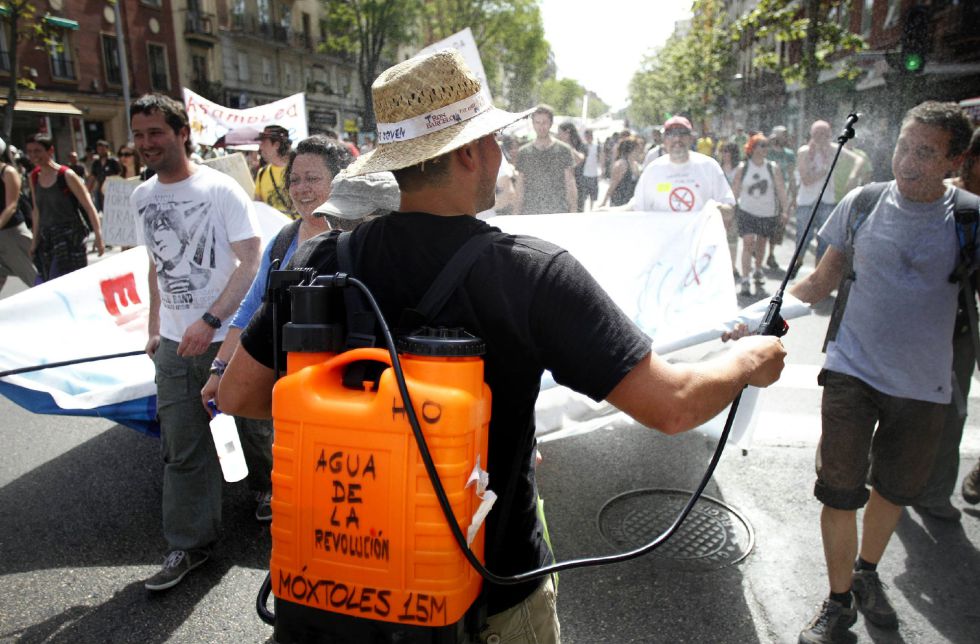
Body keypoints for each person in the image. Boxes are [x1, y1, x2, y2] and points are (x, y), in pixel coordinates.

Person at [217, 49, 785, 643]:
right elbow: (673, 405)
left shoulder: (324, 259)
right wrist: (749, 359)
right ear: (468, 152)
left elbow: (241, 392)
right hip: (491, 594)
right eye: (494, 140)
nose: (501, 154)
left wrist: (369, 431)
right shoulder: (532, 273)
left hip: (347, 585)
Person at [788, 102, 975, 643]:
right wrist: (758, 316)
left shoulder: (970, 219)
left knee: (893, 491)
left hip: (924, 387)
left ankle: (867, 572)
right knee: (840, 490)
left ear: (953, 160)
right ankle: (839, 600)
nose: (908, 162)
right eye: (903, 147)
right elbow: (818, 282)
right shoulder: (862, 202)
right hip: (851, 371)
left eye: (925, 153)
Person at [129, 93, 261, 592]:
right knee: (183, 444)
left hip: (225, 337)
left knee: (246, 425)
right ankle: (191, 543)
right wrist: (153, 326)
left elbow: (250, 261)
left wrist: (210, 320)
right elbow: (155, 268)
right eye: (139, 135)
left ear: (182, 133)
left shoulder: (220, 189)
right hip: (172, 345)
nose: (146, 144)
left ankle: (265, 489)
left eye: (156, 133)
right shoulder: (143, 197)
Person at [200, 135, 358, 523]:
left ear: (340, 180)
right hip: (288, 391)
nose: (302, 189)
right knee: (301, 493)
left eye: (313, 178)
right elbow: (249, 313)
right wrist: (218, 370)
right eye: (295, 180)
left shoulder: (360, 239)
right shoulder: (282, 241)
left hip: (347, 396)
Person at [916, 126, 980, 521]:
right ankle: (881, 468)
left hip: (960, 329)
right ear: (968, 160)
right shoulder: (939, 199)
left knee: (952, 412)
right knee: (900, 406)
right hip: (916, 324)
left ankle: (936, 491)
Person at [24, 133, 104, 281]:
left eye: (37, 151)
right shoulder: (33, 177)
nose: (33, 155)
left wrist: (99, 237)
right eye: (30, 151)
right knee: (49, 282)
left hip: (70, 238)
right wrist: (34, 242)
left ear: (50, 151)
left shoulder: (66, 175)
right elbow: (36, 211)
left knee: (63, 281)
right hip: (47, 239)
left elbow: (88, 206)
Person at [627, 115, 735, 218]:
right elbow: (636, 207)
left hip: (701, 237)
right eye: (671, 134)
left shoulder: (709, 167)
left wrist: (716, 208)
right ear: (664, 140)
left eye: (683, 133)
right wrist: (611, 213)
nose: (677, 139)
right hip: (664, 236)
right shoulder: (653, 170)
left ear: (691, 138)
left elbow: (729, 209)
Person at [793, 120, 864, 276]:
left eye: (825, 135)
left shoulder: (833, 150)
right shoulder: (804, 151)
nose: (821, 138)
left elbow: (858, 160)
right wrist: (825, 170)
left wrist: (852, 177)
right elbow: (806, 179)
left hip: (827, 201)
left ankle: (819, 274)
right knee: (802, 238)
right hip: (806, 201)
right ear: (812, 135)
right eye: (818, 134)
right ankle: (798, 261)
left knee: (824, 241)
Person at [732, 134, 788, 296]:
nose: (765, 148)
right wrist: (729, 208)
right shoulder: (744, 168)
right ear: (753, 147)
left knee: (762, 243)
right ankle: (744, 278)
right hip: (747, 211)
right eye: (761, 145)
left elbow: (780, 190)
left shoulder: (772, 167)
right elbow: (735, 190)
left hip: (767, 212)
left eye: (766, 145)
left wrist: (785, 210)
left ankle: (757, 269)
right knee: (748, 242)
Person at [514, 104, 577, 215]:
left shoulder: (564, 150)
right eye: (537, 122)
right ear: (533, 124)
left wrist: (573, 210)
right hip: (530, 212)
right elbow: (520, 186)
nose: (541, 126)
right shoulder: (523, 152)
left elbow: (570, 183)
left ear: (551, 124)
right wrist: (516, 213)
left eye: (544, 122)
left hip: (558, 211)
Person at [0, 137, 37, 290]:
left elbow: (12, 206)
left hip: (11, 232)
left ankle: (57, 306)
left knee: (34, 277)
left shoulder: (8, 172)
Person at [765, 125, 797, 270]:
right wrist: (768, 142)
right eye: (780, 135)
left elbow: (791, 176)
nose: (783, 138)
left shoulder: (789, 154)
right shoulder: (766, 151)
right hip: (764, 192)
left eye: (785, 135)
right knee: (763, 223)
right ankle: (758, 248)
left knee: (777, 225)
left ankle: (771, 254)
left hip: (780, 193)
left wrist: (793, 196)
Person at [254, 124, 293, 216]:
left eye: (264, 143)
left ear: (276, 145)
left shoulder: (299, 170)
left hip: (298, 229)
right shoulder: (262, 173)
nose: (260, 148)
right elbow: (258, 207)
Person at [600, 136, 642, 208]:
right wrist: (604, 203)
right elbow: (612, 185)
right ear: (631, 150)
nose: (639, 152)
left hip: (631, 204)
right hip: (619, 203)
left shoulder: (636, 165)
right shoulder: (621, 165)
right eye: (637, 150)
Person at [556, 122, 587, 212]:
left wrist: (567, 146)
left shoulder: (580, 146)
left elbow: (579, 160)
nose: (558, 135)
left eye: (560, 132)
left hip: (578, 184)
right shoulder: (558, 148)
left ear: (567, 133)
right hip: (561, 186)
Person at [87, 139, 121, 212]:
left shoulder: (113, 161)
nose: (101, 151)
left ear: (107, 149)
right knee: (102, 209)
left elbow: (119, 174)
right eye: (99, 149)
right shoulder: (96, 163)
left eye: (103, 149)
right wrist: (87, 191)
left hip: (113, 189)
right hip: (100, 189)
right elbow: (92, 177)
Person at [580, 129, 602, 211]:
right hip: (584, 174)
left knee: (593, 195)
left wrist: (602, 170)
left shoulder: (597, 146)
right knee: (584, 195)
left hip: (594, 173)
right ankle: (584, 209)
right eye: (587, 136)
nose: (589, 137)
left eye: (590, 136)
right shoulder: (582, 146)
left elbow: (600, 158)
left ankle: (591, 209)